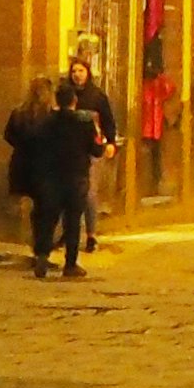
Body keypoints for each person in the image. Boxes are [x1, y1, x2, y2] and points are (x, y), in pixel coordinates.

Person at [0, 74, 86, 280]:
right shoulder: (49, 117)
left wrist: (22, 148)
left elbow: (8, 135)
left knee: (41, 211)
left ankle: (40, 250)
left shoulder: (19, 113)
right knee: (51, 213)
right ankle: (48, 251)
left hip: (23, 166)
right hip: (45, 169)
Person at [57, 53, 119, 247]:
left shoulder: (97, 96)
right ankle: (68, 232)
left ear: (88, 73)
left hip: (92, 150)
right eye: (74, 71)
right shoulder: (65, 95)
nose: (77, 75)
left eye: (81, 71)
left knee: (90, 192)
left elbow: (108, 121)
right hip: (68, 151)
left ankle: (91, 234)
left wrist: (110, 143)